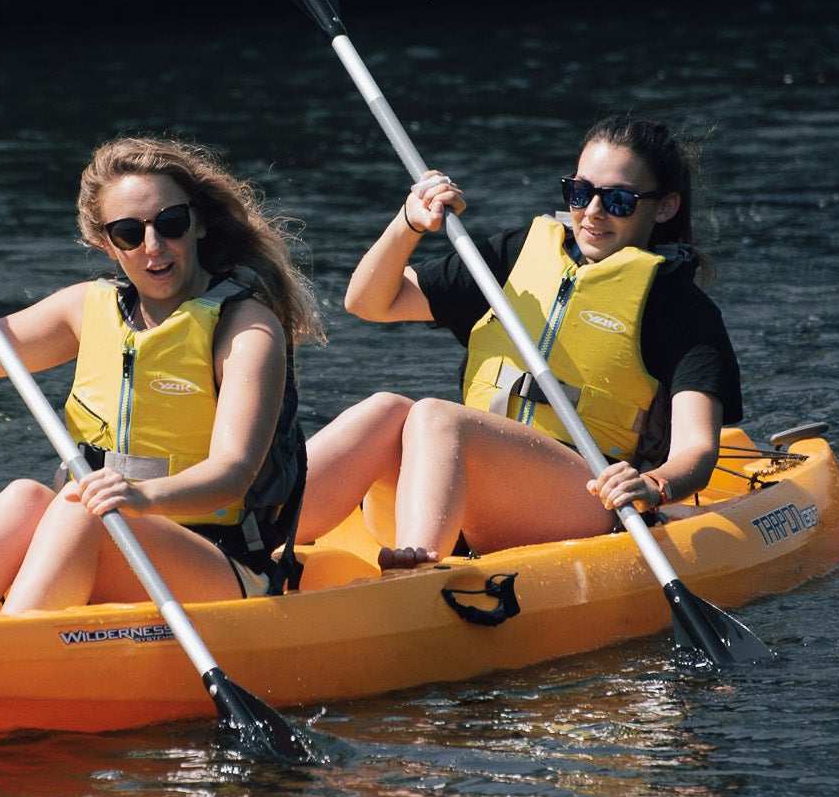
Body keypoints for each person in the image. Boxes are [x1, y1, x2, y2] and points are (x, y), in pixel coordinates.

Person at [0, 136, 323, 621]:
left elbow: (231, 473)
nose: (154, 246)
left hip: (220, 563)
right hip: (115, 532)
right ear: (106, 244)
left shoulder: (245, 326)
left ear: (198, 224)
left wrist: (140, 499)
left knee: (80, 505)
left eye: (169, 222)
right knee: (26, 497)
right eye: (129, 232)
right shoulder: (84, 308)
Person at [296, 112, 742, 565]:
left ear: (664, 207)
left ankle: (417, 577)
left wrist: (654, 485)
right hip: (459, 491)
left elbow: (697, 449)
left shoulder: (682, 311)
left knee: (436, 416)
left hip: (582, 500)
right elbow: (369, 302)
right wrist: (408, 224)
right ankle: (254, 531)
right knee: (385, 411)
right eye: (580, 192)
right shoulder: (516, 256)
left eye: (619, 200)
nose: (592, 212)